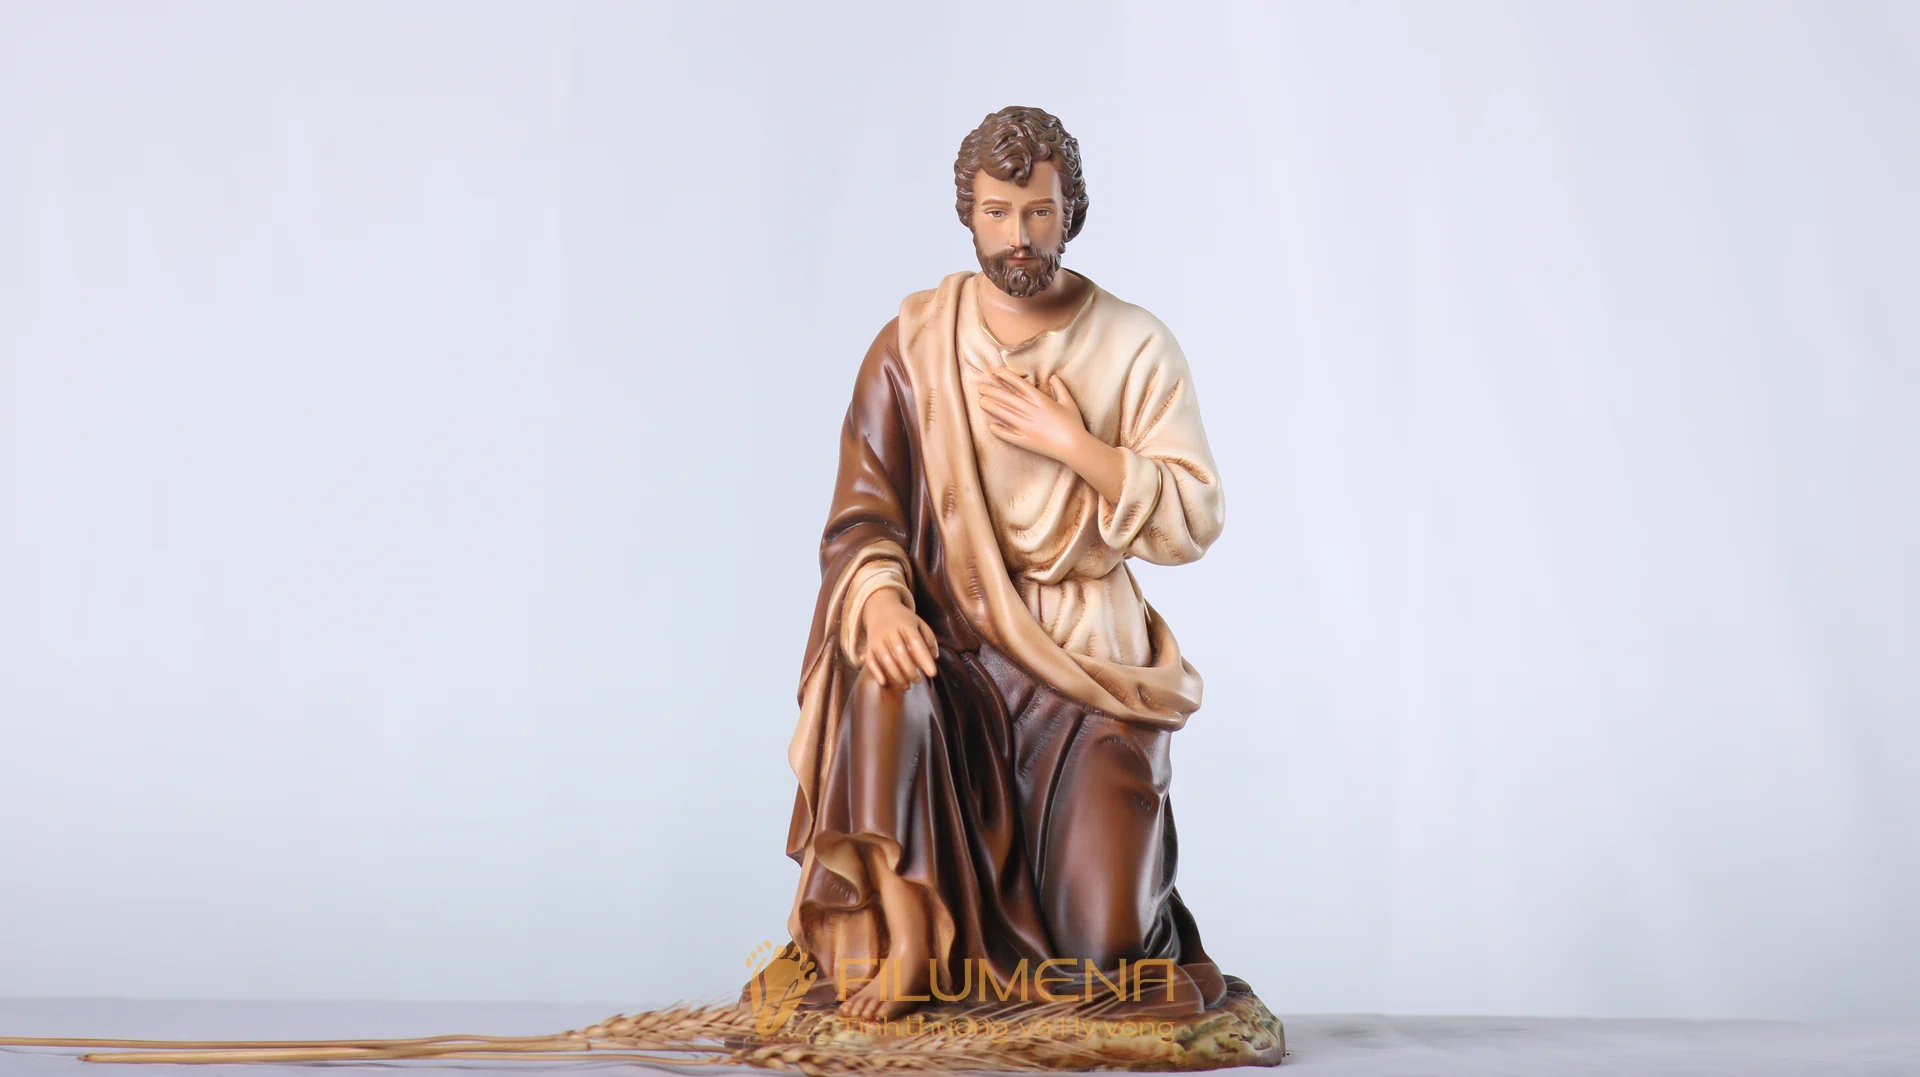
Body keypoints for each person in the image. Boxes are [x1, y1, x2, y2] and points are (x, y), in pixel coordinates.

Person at [782, 105, 1228, 1022]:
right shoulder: (915, 346)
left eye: (1037, 212)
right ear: (969, 213)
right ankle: (912, 933)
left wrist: (1078, 446)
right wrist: (880, 600)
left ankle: (1108, 900)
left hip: (1089, 670)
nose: (1017, 235)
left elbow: (1193, 517)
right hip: (960, 664)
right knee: (878, 660)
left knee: (1106, 953)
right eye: (996, 212)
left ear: (1070, 212)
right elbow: (863, 517)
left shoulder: (1134, 344)